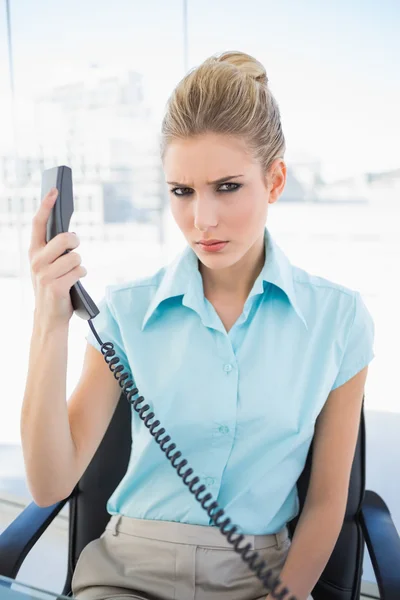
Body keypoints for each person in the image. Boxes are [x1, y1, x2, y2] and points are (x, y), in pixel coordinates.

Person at [22, 51, 375, 600]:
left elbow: (329, 500)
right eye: (182, 192)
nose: (201, 220)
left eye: (227, 187)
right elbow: (49, 483)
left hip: (260, 581)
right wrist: (49, 323)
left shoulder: (339, 320)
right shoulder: (126, 311)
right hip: (126, 577)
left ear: (274, 180)